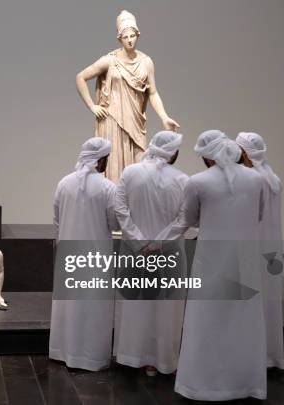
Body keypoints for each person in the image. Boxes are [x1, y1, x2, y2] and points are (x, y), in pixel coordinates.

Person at [157, 130, 266, 400]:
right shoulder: (256, 179)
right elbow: (259, 215)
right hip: (245, 261)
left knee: (208, 321)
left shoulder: (197, 182)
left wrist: (157, 242)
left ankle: (203, 384)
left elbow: (188, 220)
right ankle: (245, 383)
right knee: (243, 321)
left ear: (207, 156)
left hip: (212, 261)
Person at [113, 130, 189, 376]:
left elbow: (120, 210)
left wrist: (139, 242)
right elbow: (184, 219)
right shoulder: (182, 179)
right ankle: (161, 360)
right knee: (165, 308)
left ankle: (130, 355)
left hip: (134, 251)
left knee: (135, 304)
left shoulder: (129, 173)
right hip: (169, 253)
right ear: (173, 152)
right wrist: (159, 244)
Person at [75, 10, 180, 182]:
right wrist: (92, 106)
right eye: (125, 37)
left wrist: (164, 117)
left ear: (138, 35)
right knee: (113, 169)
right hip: (112, 121)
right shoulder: (110, 61)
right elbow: (80, 77)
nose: (130, 40)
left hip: (135, 122)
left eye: (132, 35)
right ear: (119, 38)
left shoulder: (146, 62)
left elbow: (152, 92)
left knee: (138, 171)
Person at [49, 137, 119, 371]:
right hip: (96, 255)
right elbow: (114, 223)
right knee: (93, 307)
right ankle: (91, 357)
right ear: (101, 161)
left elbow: (57, 220)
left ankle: (62, 351)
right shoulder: (109, 188)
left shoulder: (63, 183)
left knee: (69, 305)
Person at [236, 131, 284, 369]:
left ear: (244, 153)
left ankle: (251, 355)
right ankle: (267, 354)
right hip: (269, 248)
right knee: (266, 299)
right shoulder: (271, 177)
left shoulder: (250, 179)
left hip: (252, 246)